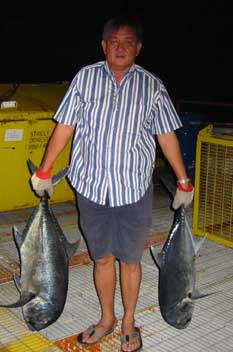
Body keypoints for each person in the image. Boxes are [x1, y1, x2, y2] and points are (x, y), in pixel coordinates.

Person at [31, 15, 194, 352]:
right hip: (91, 188)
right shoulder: (85, 78)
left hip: (133, 190)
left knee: (130, 260)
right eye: (114, 41)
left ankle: (129, 322)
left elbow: (166, 136)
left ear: (138, 48)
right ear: (104, 46)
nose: (120, 47)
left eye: (127, 41)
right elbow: (64, 127)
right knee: (102, 258)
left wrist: (183, 180)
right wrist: (44, 171)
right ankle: (107, 319)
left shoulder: (153, 86)